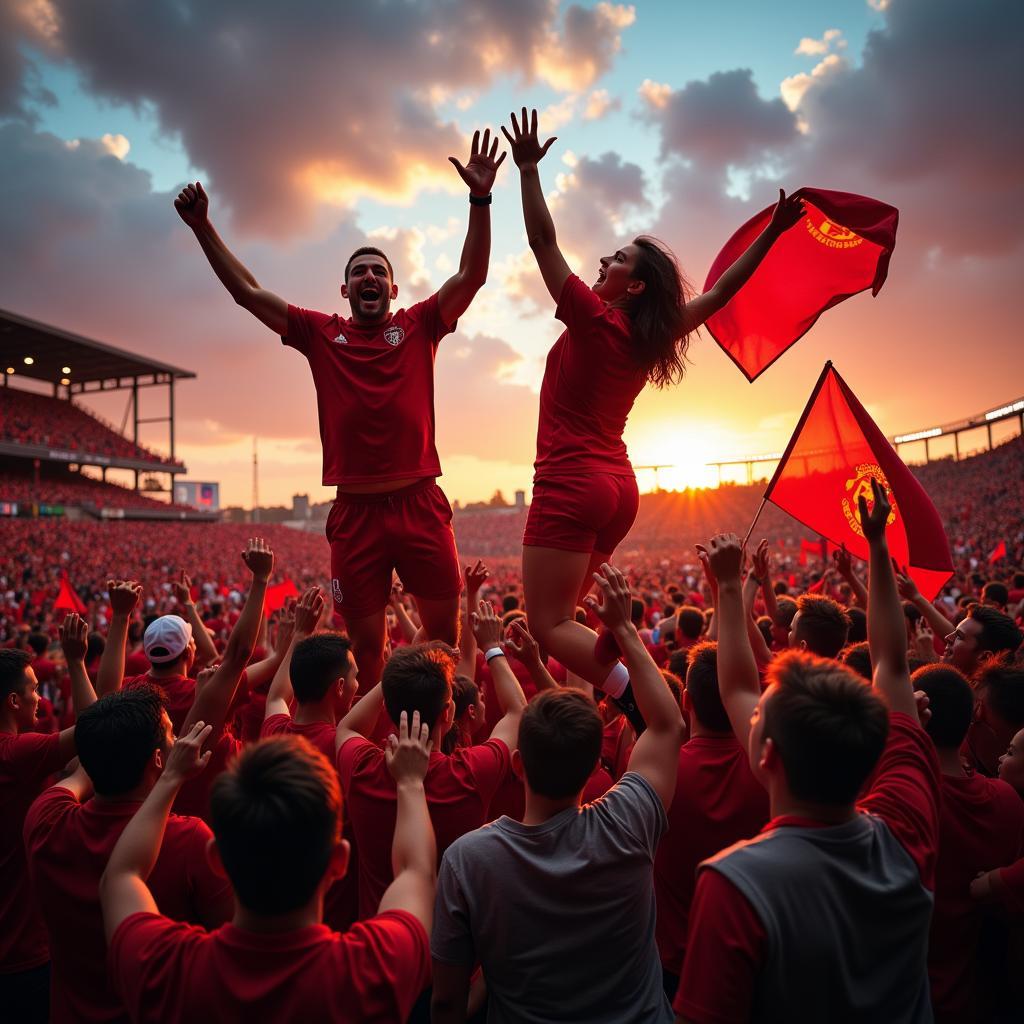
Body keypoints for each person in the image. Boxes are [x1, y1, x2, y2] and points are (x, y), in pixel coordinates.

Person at [174, 128, 507, 692]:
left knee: (443, 646)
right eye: (360, 272)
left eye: (379, 270)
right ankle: (382, 750)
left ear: (395, 289)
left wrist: (479, 200)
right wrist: (204, 227)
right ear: (345, 289)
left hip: (420, 503)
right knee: (367, 655)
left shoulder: (420, 323)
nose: (370, 277)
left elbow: (471, 275)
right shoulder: (320, 334)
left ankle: (438, 743)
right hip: (355, 516)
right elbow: (248, 294)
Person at [500, 106, 806, 718]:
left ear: (632, 287)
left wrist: (529, 170)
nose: (604, 263)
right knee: (574, 623)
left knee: (549, 624)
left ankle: (646, 695)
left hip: (572, 481)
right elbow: (718, 295)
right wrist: (771, 235)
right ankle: (632, 685)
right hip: (619, 487)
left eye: (617, 260)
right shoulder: (649, 336)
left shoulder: (593, 318)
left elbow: (542, 241)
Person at [674, 481, 941, 1023]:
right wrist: (879, 544)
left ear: (766, 756)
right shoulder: (906, 824)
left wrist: (728, 588)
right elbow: (891, 662)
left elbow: (735, 689)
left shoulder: (735, 886)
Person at [431, 563, 686, 1023]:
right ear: (594, 766)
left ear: (516, 766)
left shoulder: (468, 860)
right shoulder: (628, 821)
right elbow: (668, 724)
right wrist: (624, 629)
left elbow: (447, 1002)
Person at [100, 721, 436, 1022]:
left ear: (216, 861)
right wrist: (409, 782)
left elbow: (121, 875)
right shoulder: (375, 970)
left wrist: (170, 776)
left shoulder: (166, 973)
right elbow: (416, 872)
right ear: (339, 862)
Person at [23, 684, 233, 1023]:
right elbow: (230, 940)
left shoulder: (44, 821)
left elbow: (80, 774)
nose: (177, 738)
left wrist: (105, 743)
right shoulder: (189, 839)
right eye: (170, 733)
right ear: (159, 758)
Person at [336, 611, 524, 920]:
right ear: (448, 714)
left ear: (389, 706)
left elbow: (347, 728)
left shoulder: (362, 770)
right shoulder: (470, 773)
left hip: (382, 944)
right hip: (454, 951)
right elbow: (517, 711)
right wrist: (491, 646)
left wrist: (395, 677)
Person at [653, 641, 769, 999]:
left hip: (673, 968)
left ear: (686, 701)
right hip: (752, 962)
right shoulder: (771, 771)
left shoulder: (660, 774)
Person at [911, 663, 1024, 1023]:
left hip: (900, 996)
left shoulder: (900, 799)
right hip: (973, 996)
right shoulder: (1007, 800)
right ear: (970, 722)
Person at [0, 616, 97, 1022]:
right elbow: (96, 731)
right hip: (21, 950)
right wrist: (77, 662)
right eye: (35, 691)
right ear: (13, 702)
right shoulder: (16, 753)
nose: (42, 698)